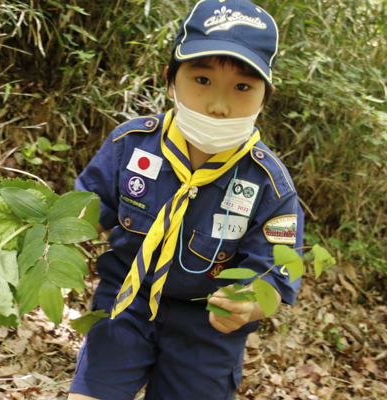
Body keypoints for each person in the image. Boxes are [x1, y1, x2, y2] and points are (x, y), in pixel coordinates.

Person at [69, 0, 304, 398]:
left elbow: (277, 271)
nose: (218, 105)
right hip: (125, 304)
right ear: (169, 80)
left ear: (266, 96)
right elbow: (85, 211)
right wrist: (49, 234)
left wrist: (251, 304)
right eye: (202, 80)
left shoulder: (270, 185)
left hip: (207, 332)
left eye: (243, 87)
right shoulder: (131, 145)